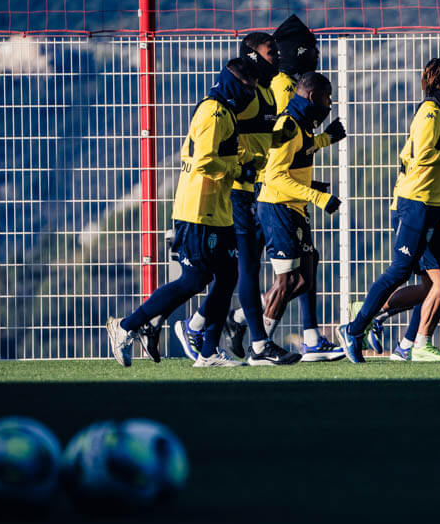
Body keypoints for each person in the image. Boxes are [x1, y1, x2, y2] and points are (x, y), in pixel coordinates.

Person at [105, 57, 261, 368]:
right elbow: (203, 161)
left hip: (218, 211)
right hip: (198, 211)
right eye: (248, 86)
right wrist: (238, 170)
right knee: (194, 280)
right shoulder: (214, 112)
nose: (251, 93)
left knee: (227, 277)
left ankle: (208, 353)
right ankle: (126, 326)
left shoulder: (224, 110)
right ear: (232, 82)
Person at [336, 57, 440, 363]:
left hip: (438, 204)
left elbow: (438, 171)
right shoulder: (430, 112)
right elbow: (423, 157)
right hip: (415, 204)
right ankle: (355, 329)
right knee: (400, 271)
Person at [171, 32, 294, 363]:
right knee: (245, 269)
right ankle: (258, 344)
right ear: (252, 56)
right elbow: (224, 140)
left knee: (234, 272)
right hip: (235, 191)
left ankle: (200, 331)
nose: (277, 57)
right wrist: (243, 167)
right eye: (271, 52)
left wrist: (278, 138)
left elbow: (255, 137)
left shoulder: (265, 92)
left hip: (251, 188)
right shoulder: (242, 97)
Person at [255, 72, 348, 362]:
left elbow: (301, 151)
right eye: (327, 97)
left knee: (305, 278)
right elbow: (275, 177)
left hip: (295, 208)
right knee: (286, 282)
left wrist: (325, 139)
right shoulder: (288, 124)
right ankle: (260, 346)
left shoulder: (302, 124)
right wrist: (318, 197)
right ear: (312, 96)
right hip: (278, 207)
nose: (329, 104)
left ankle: (243, 317)